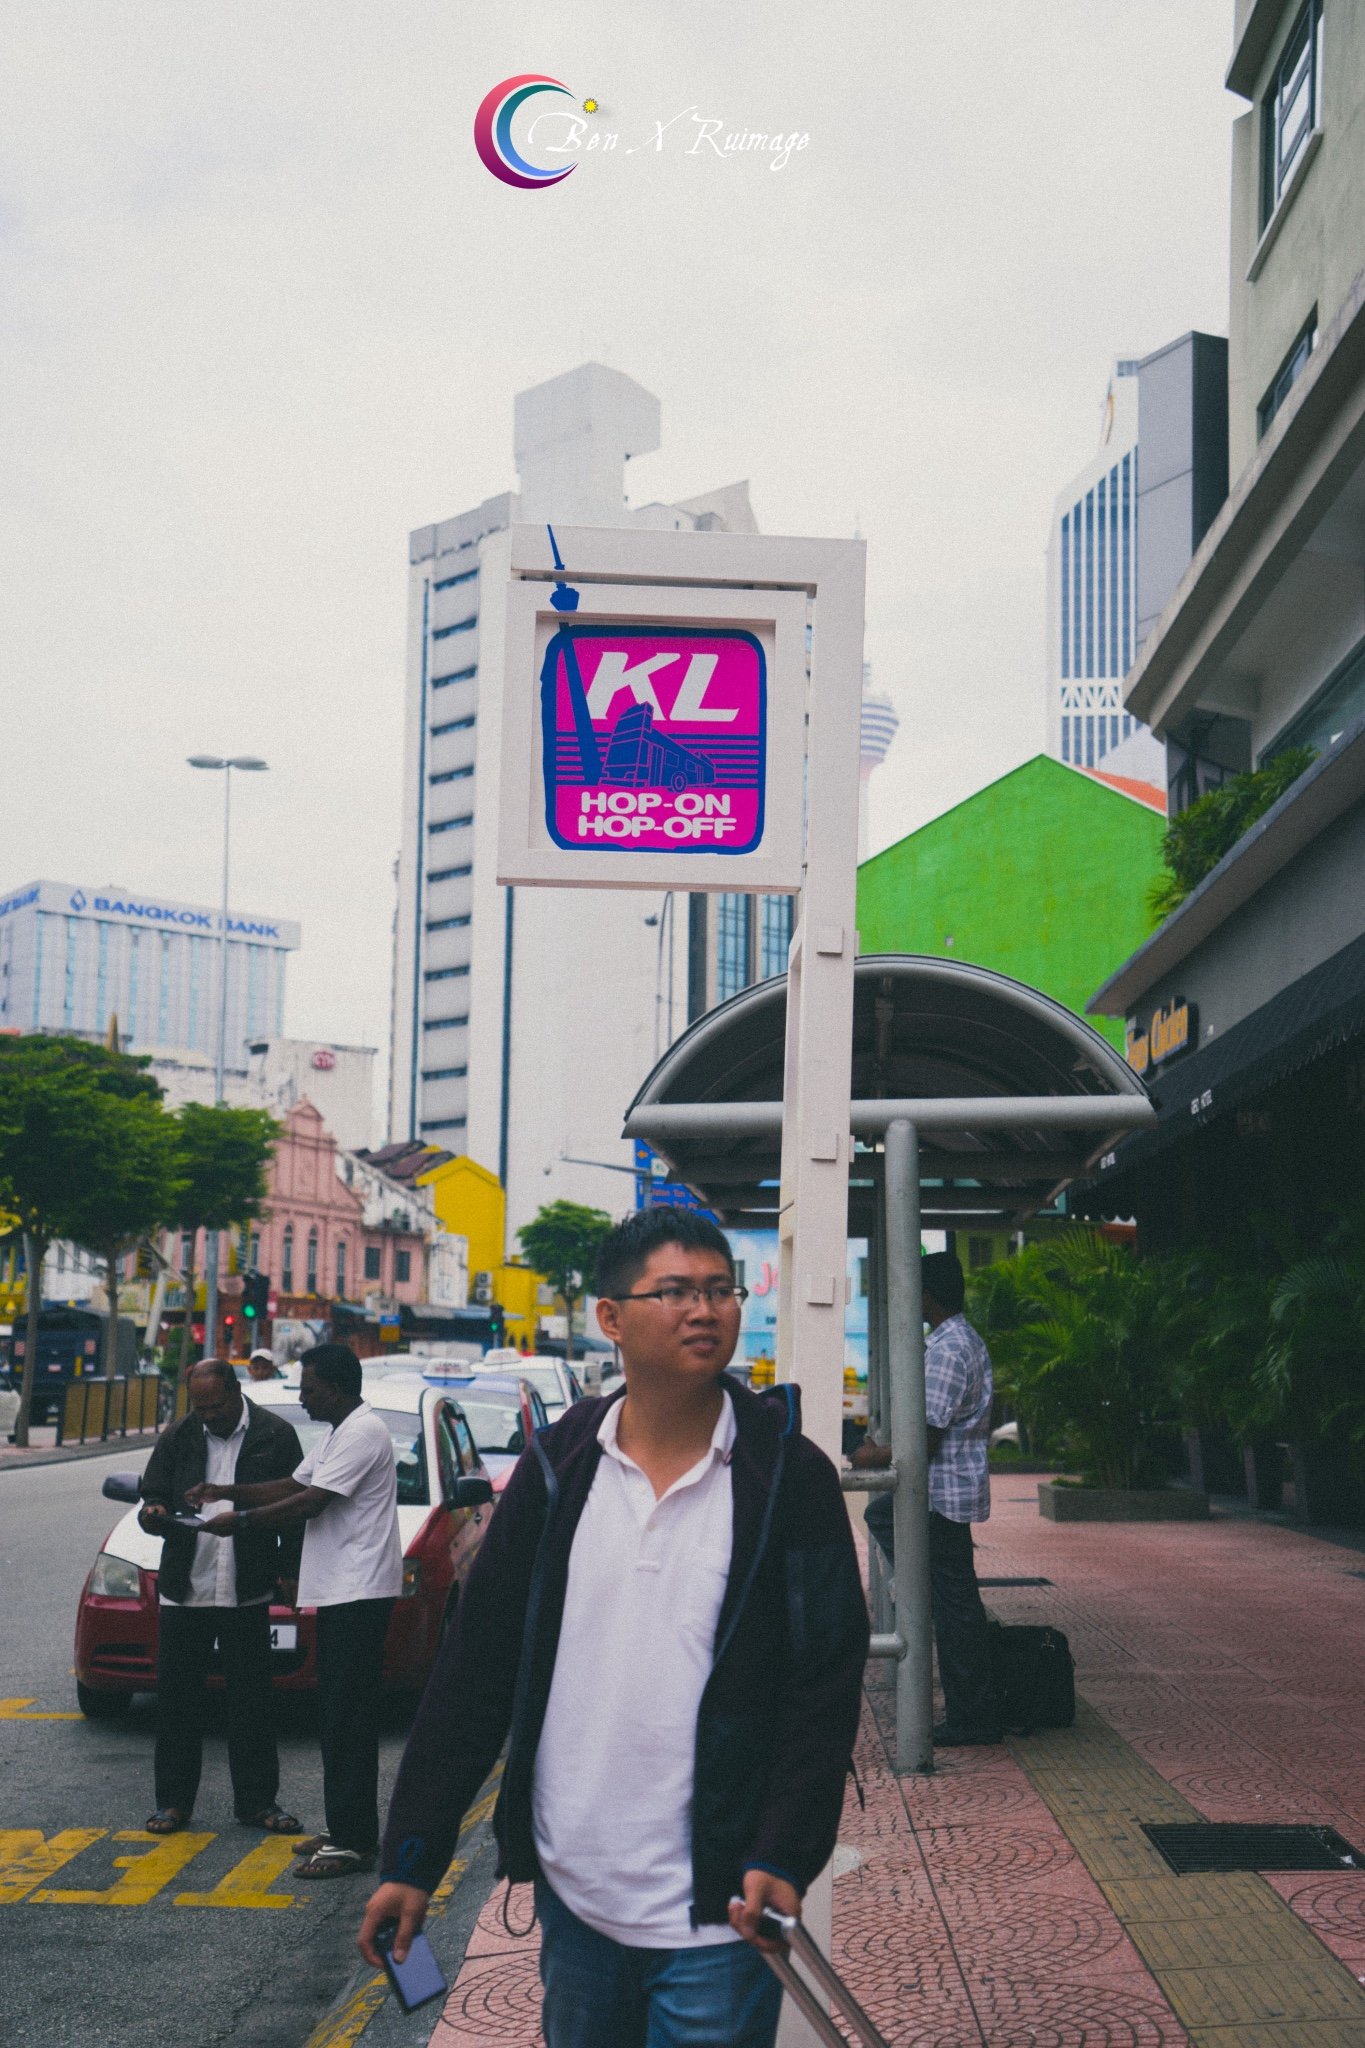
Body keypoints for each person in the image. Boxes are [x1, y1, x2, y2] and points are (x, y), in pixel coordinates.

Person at [356, 1206, 869, 2048]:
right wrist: (412, 1857)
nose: (704, 1310)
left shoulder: (786, 1475)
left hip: (719, 1908)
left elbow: (823, 1680)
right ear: (610, 1317)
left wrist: (784, 1850)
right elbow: (475, 1669)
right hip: (576, 1899)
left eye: (720, 1290)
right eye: (675, 1292)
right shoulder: (556, 1468)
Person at [191, 1342, 402, 1878]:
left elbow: (311, 1502)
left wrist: (239, 1522)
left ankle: (354, 1842)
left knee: (348, 1720)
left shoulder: (363, 1432)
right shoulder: (337, 1433)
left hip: (359, 1592)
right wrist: (225, 1491)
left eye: (309, 1389)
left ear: (336, 1387)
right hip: (340, 1591)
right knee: (336, 1716)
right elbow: (293, 1484)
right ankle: (346, 1826)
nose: (303, 1398)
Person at [137, 1357, 304, 1837]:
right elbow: (153, 1493)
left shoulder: (275, 1435)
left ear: (235, 1391)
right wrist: (155, 1512)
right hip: (186, 1586)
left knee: (251, 1701)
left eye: (214, 1406)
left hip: (246, 1586)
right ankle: (173, 1803)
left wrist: (290, 1569)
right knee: (178, 1702)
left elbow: (295, 1507)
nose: (207, 1416)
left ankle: (257, 1803)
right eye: (199, 1408)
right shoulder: (179, 1434)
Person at [854, 1250, 1001, 1747]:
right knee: (956, 1602)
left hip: (940, 1495)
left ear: (927, 1294)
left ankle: (973, 1716)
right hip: (950, 1492)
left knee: (954, 1607)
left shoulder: (947, 1349)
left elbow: (926, 1437)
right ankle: (974, 1709)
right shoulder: (959, 1339)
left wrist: (873, 1456)